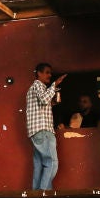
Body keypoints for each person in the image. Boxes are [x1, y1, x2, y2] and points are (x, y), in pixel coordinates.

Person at [26, 62, 66, 190]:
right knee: (52, 163)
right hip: (43, 130)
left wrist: (53, 102)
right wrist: (55, 84)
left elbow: (43, 104)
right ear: (39, 73)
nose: (50, 75)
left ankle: (35, 196)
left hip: (36, 132)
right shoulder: (38, 85)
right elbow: (43, 99)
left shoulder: (35, 88)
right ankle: (43, 195)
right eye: (47, 72)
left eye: (50, 73)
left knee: (39, 165)